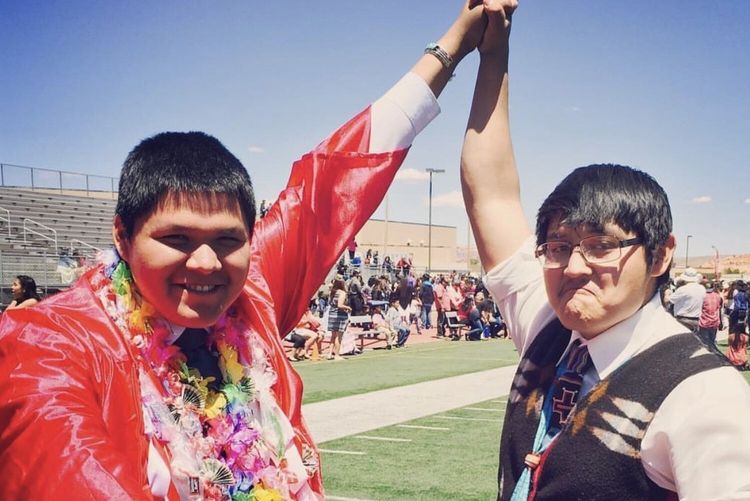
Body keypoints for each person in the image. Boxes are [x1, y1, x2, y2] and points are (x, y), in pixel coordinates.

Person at [0, 3, 491, 498]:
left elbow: (333, 180)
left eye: (228, 240)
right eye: (177, 239)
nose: (207, 262)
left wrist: (454, 45)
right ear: (123, 236)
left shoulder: (249, 294)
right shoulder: (49, 346)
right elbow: (68, 472)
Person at [459, 1, 750, 499]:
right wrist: (493, 53)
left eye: (601, 246)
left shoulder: (703, 392)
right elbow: (492, 193)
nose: (574, 266)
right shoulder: (550, 325)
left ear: (660, 255)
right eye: (558, 246)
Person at [668, 267, 706, 332]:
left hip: (682, 319)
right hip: (696, 319)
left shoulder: (683, 289)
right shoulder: (702, 288)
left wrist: (667, 292)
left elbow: (669, 300)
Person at [327, 276, 351, 361]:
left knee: (333, 336)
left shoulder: (332, 292)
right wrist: (348, 307)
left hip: (332, 314)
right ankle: (336, 354)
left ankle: (329, 353)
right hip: (340, 316)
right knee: (339, 336)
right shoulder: (342, 293)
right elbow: (340, 305)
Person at [697, 280, 723, 350]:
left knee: (704, 343)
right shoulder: (718, 296)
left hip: (704, 322)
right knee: (712, 342)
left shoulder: (702, 296)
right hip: (714, 321)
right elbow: (719, 310)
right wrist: (721, 322)